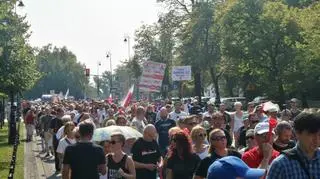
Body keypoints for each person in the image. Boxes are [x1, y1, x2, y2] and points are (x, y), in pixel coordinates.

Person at [267, 109, 320, 179]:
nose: (316, 139)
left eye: (319, 134)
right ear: (297, 133)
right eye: (311, 134)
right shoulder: (281, 165)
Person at [50, 108, 64, 173]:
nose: (63, 113)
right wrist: (58, 135)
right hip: (56, 140)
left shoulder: (65, 120)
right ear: (58, 112)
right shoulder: (53, 120)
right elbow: (51, 131)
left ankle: (63, 168)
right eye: (62, 112)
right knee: (57, 154)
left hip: (64, 140)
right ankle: (58, 168)